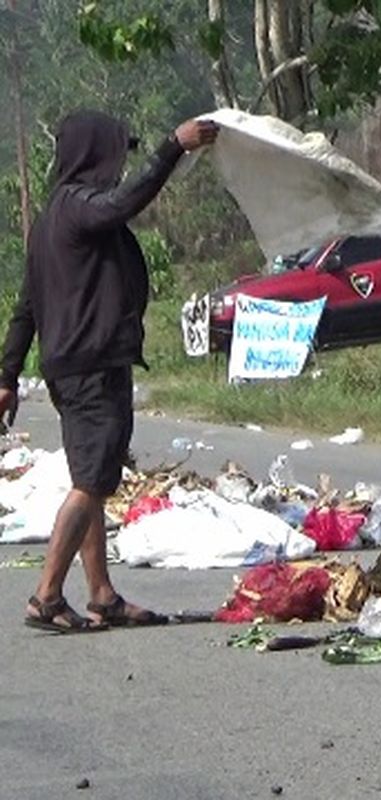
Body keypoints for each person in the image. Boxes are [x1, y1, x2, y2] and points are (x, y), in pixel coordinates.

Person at [0, 110, 218, 633]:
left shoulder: (52, 216)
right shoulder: (79, 206)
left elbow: (26, 308)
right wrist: (173, 147)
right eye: (116, 155)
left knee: (90, 479)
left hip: (69, 367)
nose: (119, 168)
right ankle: (47, 596)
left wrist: (7, 378)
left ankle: (101, 594)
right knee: (92, 483)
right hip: (92, 367)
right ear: (94, 155)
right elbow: (124, 203)